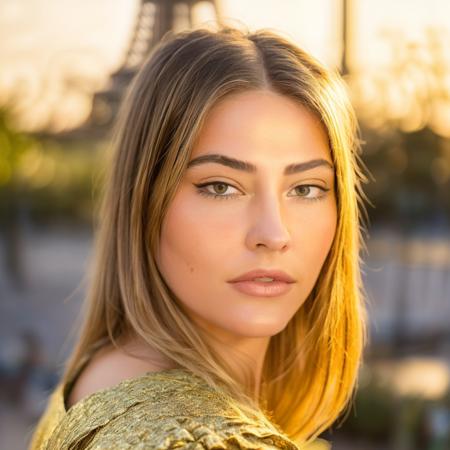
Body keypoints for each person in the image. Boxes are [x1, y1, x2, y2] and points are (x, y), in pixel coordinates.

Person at [29, 24, 369, 449]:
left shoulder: (100, 378)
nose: (274, 234)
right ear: (144, 202)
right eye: (220, 187)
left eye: (306, 189)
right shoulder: (204, 440)